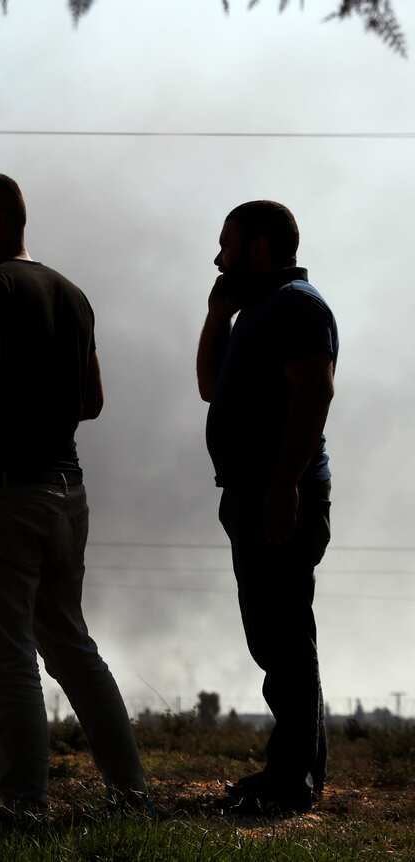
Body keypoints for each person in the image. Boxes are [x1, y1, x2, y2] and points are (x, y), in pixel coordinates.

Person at [0, 173, 148, 844]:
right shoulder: (70, 294)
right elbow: (92, 400)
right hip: (65, 494)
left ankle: (22, 814)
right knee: (73, 648)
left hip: (1, 495)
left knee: (5, 659)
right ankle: (132, 798)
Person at [197, 200, 337, 815]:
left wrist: (285, 487)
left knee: (284, 636)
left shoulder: (299, 308)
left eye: (227, 244)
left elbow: (314, 394)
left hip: (279, 494)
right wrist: (216, 315)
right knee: (277, 636)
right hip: (252, 493)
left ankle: (291, 782)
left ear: (257, 248)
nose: (219, 256)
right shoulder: (257, 311)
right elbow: (209, 385)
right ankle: (294, 772)